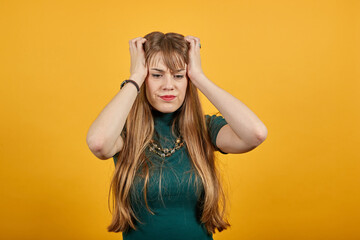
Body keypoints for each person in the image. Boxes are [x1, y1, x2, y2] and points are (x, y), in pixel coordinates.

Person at [86, 31, 268, 240]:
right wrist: (134, 78)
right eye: (156, 75)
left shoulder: (205, 128)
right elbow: (98, 143)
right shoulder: (125, 132)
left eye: (179, 75)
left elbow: (256, 133)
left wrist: (199, 77)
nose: (168, 85)